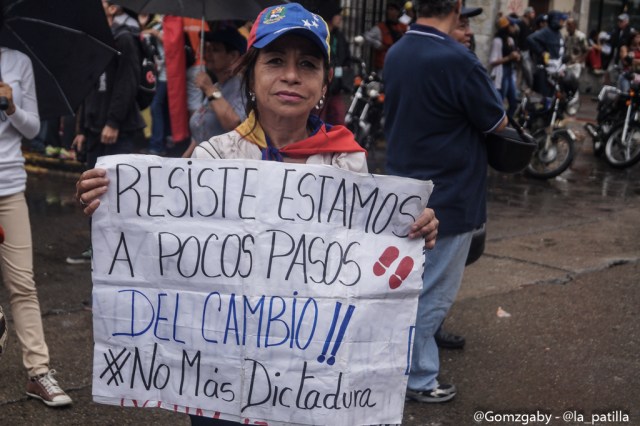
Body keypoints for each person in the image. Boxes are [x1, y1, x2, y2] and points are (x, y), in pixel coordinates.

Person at [75, 3, 439, 423]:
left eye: (307, 64)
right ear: (251, 76)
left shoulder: (347, 163)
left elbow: (363, 260)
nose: (291, 75)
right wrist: (108, 200)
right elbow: (165, 245)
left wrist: (415, 230)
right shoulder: (215, 157)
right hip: (218, 376)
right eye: (275, 61)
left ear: (323, 84)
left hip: (306, 380)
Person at [383, 0, 507, 403]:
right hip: (450, 196)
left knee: (414, 284)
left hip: (405, 189)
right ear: (455, 8)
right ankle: (418, 377)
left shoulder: (398, 50)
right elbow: (497, 122)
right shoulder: (459, 59)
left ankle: (413, 359)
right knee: (431, 293)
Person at [0, 11, 73, 406]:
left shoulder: (17, 61)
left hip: (9, 187)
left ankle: (39, 373)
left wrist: (10, 106)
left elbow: (32, 129)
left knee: (23, 284)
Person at [66, 0, 145, 264]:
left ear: (112, 8)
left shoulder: (124, 40)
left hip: (116, 131)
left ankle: (118, 255)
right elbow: (87, 88)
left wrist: (113, 121)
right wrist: (81, 129)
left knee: (115, 196)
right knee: (92, 194)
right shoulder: (93, 41)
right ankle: (97, 248)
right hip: (94, 130)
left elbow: (127, 82)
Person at [181, 28, 247, 158]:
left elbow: (234, 124)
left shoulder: (242, 88)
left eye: (215, 50)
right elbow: (201, 134)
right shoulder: (217, 88)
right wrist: (182, 162)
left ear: (233, 56)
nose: (207, 54)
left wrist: (209, 89)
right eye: (207, 48)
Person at [139, 13, 170, 156]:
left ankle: (156, 146)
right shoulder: (149, 24)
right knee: (157, 107)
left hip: (164, 74)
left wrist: (153, 32)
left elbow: (168, 41)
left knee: (155, 106)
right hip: (153, 74)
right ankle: (157, 143)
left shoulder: (162, 22)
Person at [318, 5, 352, 125]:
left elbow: (346, 56)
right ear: (330, 17)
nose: (340, 19)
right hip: (322, 87)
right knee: (319, 118)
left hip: (337, 86)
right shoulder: (320, 35)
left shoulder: (340, 36)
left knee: (338, 117)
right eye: (338, 16)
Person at [527, 10, 567, 97]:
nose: (563, 22)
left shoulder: (558, 33)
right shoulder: (546, 32)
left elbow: (562, 48)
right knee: (541, 100)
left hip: (555, 71)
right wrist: (542, 52)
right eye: (561, 20)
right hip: (544, 71)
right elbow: (530, 39)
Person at [490, 16, 521, 117]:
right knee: (500, 101)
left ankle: (507, 125)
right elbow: (492, 61)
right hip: (501, 72)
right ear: (506, 27)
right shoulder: (498, 41)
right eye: (512, 25)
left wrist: (516, 57)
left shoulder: (510, 39)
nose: (514, 28)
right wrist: (509, 57)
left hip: (509, 72)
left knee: (513, 103)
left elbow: (513, 55)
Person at [364, 2, 408, 72]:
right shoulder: (380, 27)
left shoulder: (404, 27)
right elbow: (366, 36)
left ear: (398, 12)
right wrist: (378, 45)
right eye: (389, 9)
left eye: (392, 9)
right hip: (384, 65)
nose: (389, 12)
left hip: (400, 63)